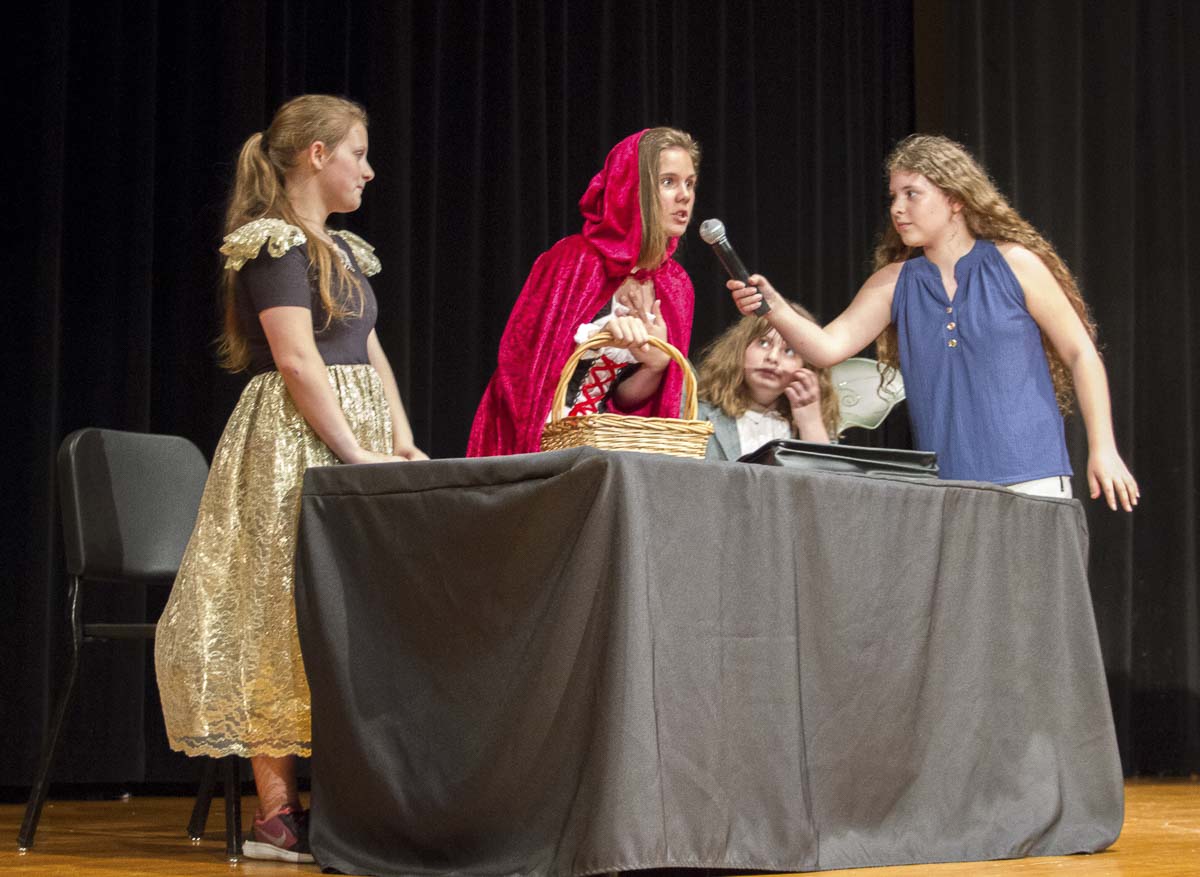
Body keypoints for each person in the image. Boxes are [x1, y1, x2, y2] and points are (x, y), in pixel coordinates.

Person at [155, 95, 426, 864]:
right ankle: (277, 811)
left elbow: (368, 352)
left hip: (355, 434)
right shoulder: (274, 245)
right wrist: (350, 450)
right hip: (297, 438)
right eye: (358, 154)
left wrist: (400, 442)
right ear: (316, 154)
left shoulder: (342, 249)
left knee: (353, 608)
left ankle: (352, 794)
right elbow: (298, 359)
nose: (368, 171)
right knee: (281, 600)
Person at [726, 134, 1139, 511]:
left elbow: (1080, 352)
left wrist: (1103, 447)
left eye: (912, 194)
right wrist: (773, 307)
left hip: (1033, 478)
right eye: (893, 197)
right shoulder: (893, 284)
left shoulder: (1015, 265)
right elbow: (826, 347)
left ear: (955, 199)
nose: (897, 209)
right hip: (947, 486)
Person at [467, 127, 701, 456]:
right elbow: (521, 372)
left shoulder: (675, 286)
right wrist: (599, 335)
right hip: (540, 438)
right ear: (632, 189)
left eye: (689, 183)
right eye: (668, 182)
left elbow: (625, 399)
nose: (684, 196)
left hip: (603, 448)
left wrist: (655, 365)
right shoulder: (574, 261)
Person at [696, 303, 837, 460]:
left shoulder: (812, 424)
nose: (773, 357)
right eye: (763, 343)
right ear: (740, 349)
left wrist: (810, 424)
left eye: (789, 351)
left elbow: (830, 481)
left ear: (808, 366)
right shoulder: (698, 412)